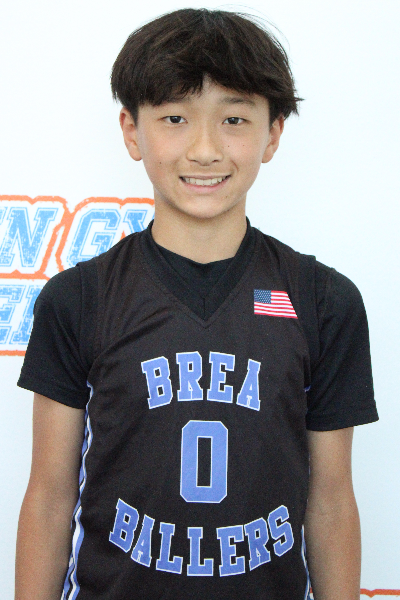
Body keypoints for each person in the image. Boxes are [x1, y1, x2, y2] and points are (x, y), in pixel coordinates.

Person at [15, 8, 378, 600]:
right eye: (175, 118)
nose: (205, 150)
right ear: (132, 131)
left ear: (273, 133)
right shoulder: (80, 298)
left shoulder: (323, 301)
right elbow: (50, 496)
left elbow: (332, 498)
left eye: (234, 119)